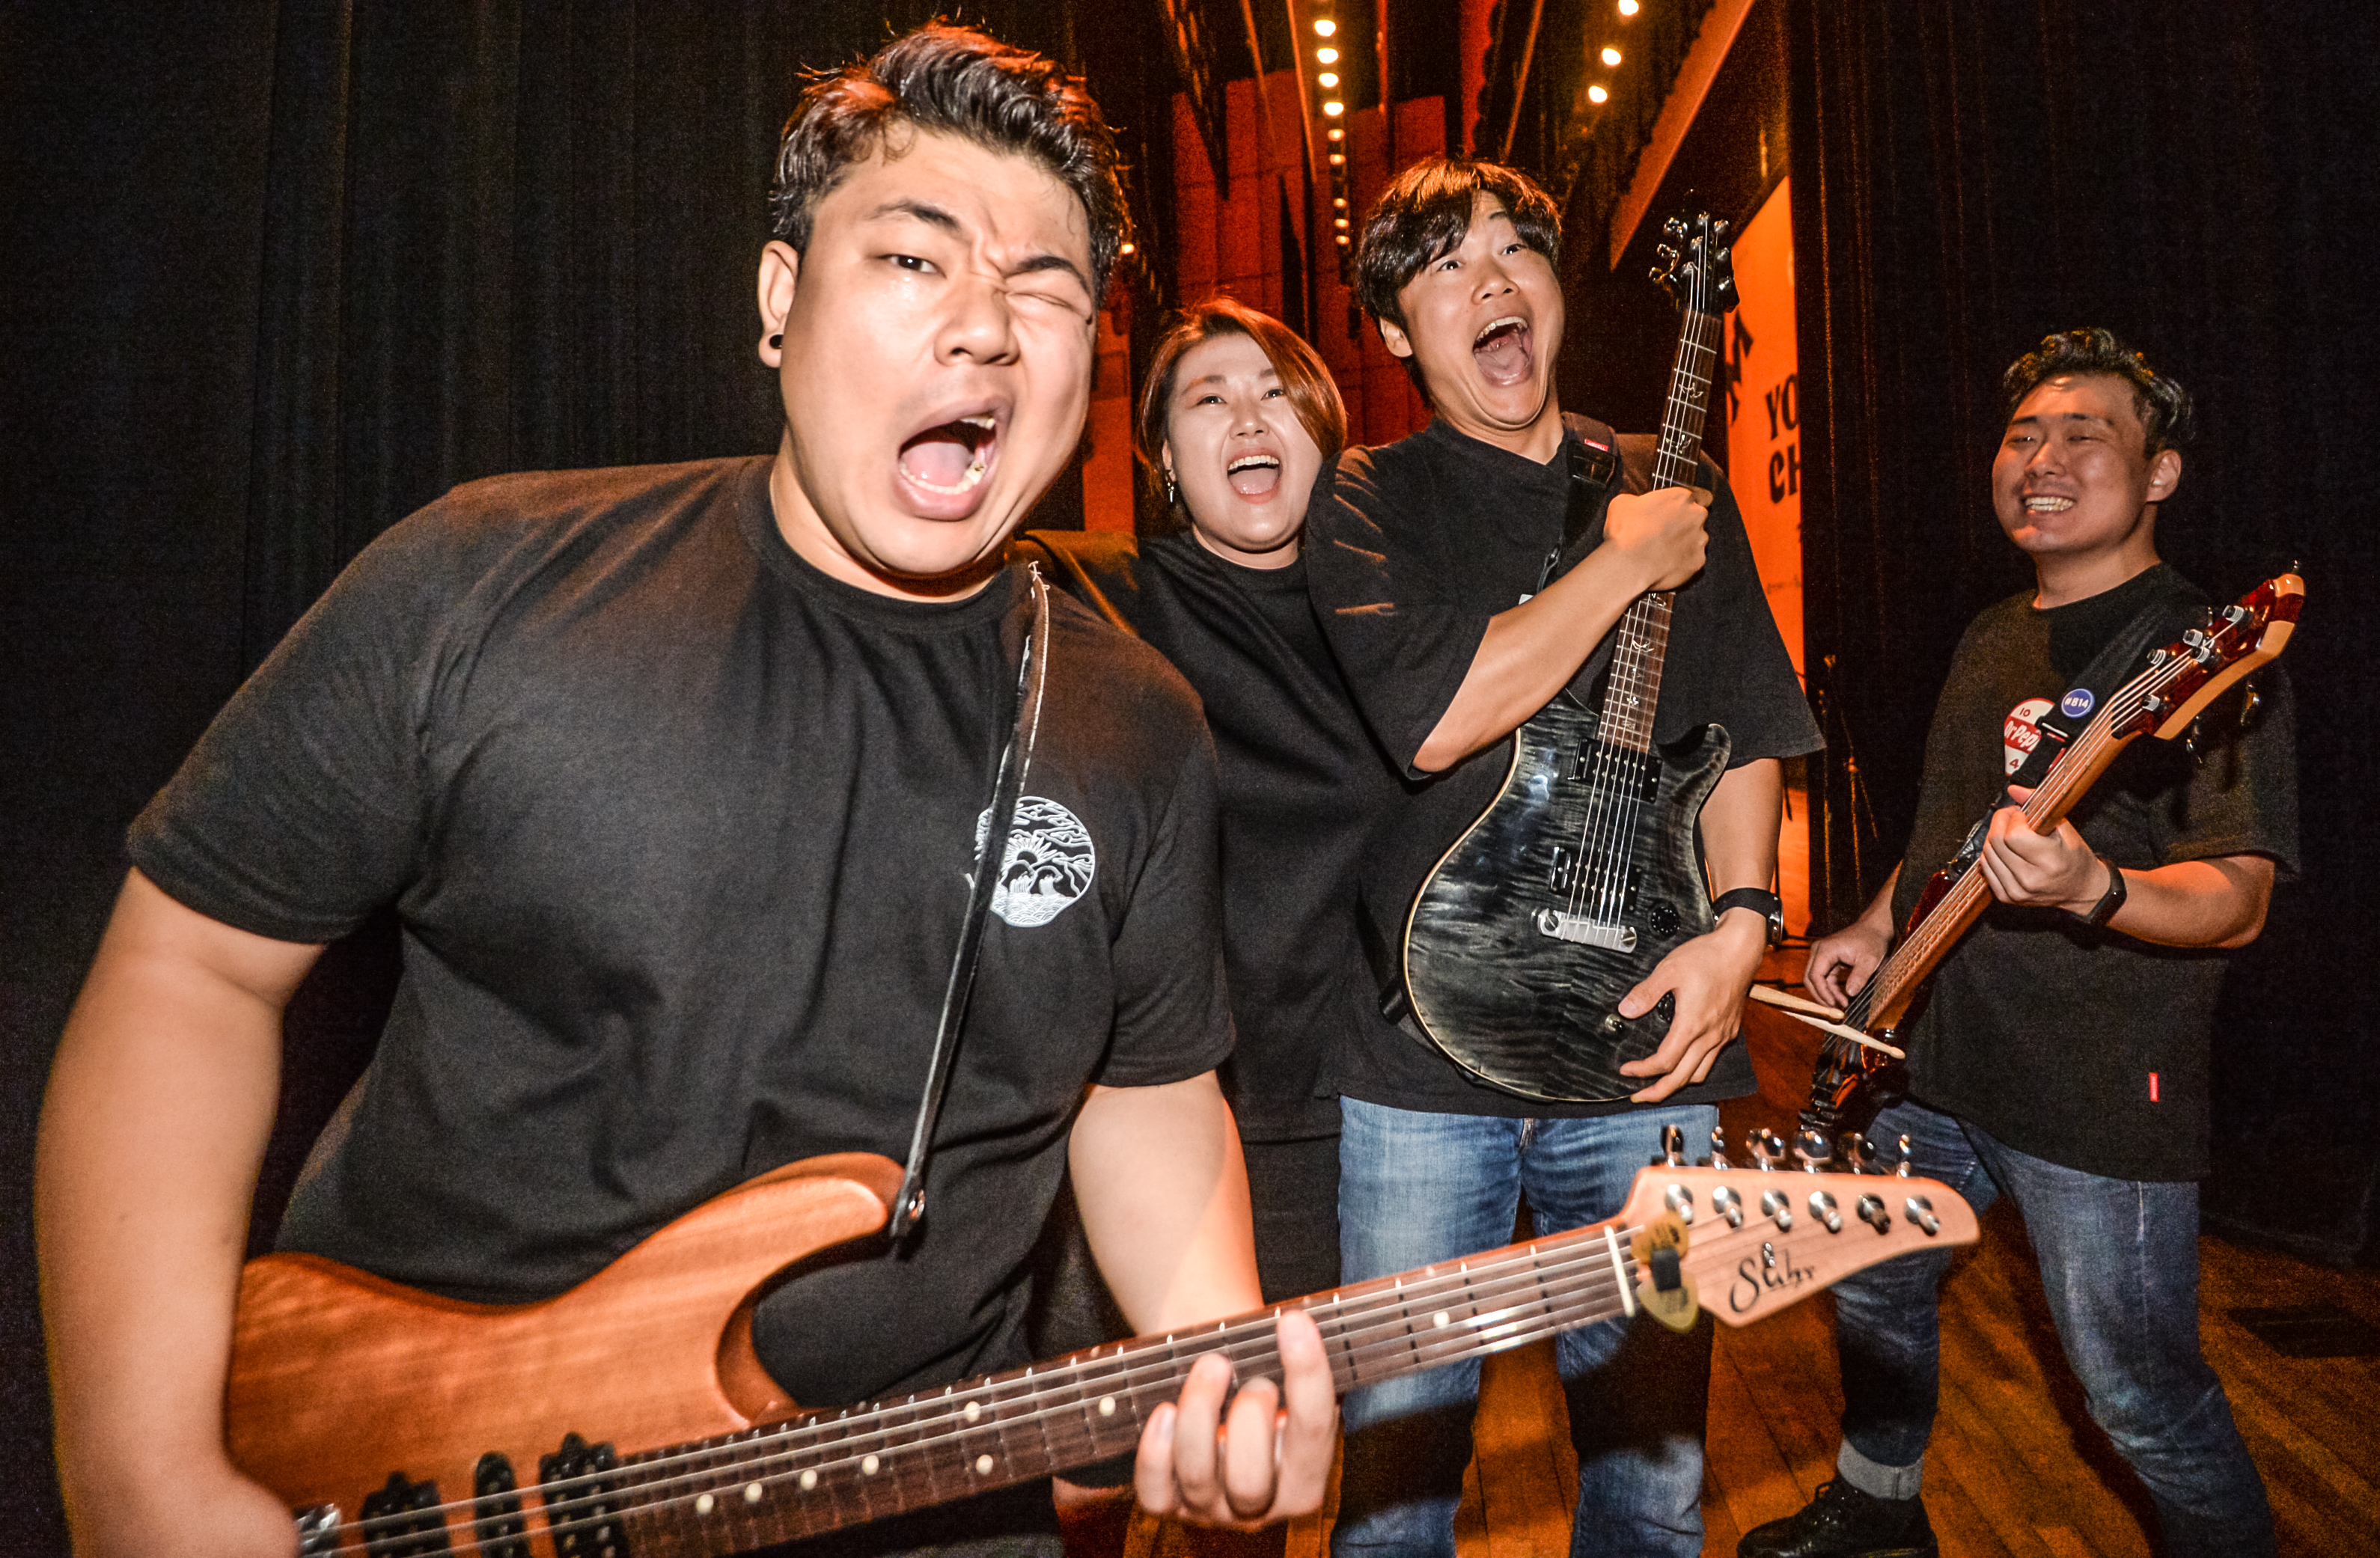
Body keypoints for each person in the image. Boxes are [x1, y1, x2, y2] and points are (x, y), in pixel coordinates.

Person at [34, 26, 1334, 1558]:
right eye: (913, 259)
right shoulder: (484, 584)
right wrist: (137, 1469)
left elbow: (1150, 1084)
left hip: (922, 1500)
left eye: (1043, 287)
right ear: (781, 299)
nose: (985, 327)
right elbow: (191, 967)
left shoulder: (1138, 725)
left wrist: (1209, 1350)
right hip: (446, 1489)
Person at [1304, 159, 1822, 1558]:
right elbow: (1437, 719)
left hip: (1648, 1052)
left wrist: (1743, 923)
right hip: (1424, 1070)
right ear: (1397, 330)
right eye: (1446, 264)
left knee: (1655, 1471)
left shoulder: (1671, 482)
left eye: (1518, 250)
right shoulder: (1365, 499)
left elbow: (1744, 730)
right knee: (1397, 1484)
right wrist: (1624, 559)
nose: (1494, 279)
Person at [1739, 330, 2295, 1558]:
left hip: (2097, 1096)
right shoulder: (1992, 630)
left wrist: (2098, 885)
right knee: (1877, 1291)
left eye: (2084, 435)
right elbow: (1948, 829)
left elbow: (2240, 894)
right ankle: (1880, 1509)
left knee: (2137, 1394)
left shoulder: (2203, 654)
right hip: (1928, 1059)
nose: (2042, 460)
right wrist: (1872, 927)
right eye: (2023, 436)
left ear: (2160, 472)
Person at [1019, 296, 1400, 1308]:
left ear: (1324, 433)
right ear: (1164, 460)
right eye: (1210, 399)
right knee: (1235, 1398)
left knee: (1388, 1399)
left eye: (1276, 393)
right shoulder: (1098, 592)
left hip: (1388, 1105)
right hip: (1186, 1107)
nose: (1248, 418)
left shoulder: (1396, 616)